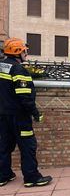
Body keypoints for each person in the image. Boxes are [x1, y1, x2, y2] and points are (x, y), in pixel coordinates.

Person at [0, 37, 52, 187]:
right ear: (17, 52)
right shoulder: (18, 69)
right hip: (19, 117)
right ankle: (31, 177)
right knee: (27, 146)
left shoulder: (2, 66)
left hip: (3, 115)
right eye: (24, 51)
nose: (26, 54)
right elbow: (25, 97)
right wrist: (36, 113)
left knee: (4, 145)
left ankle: (3, 175)